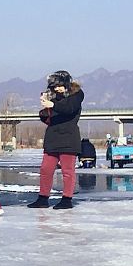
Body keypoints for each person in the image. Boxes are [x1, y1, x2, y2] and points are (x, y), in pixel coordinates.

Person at [29, 70, 84, 209]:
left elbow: (69, 108)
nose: (57, 89)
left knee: (68, 171)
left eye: (59, 85)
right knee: (45, 169)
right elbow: (49, 117)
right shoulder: (53, 99)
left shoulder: (77, 95)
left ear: (66, 84)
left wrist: (52, 105)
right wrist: (44, 111)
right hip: (52, 138)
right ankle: (43, 198)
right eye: (54, 87)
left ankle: (67, 199)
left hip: (69, 139)